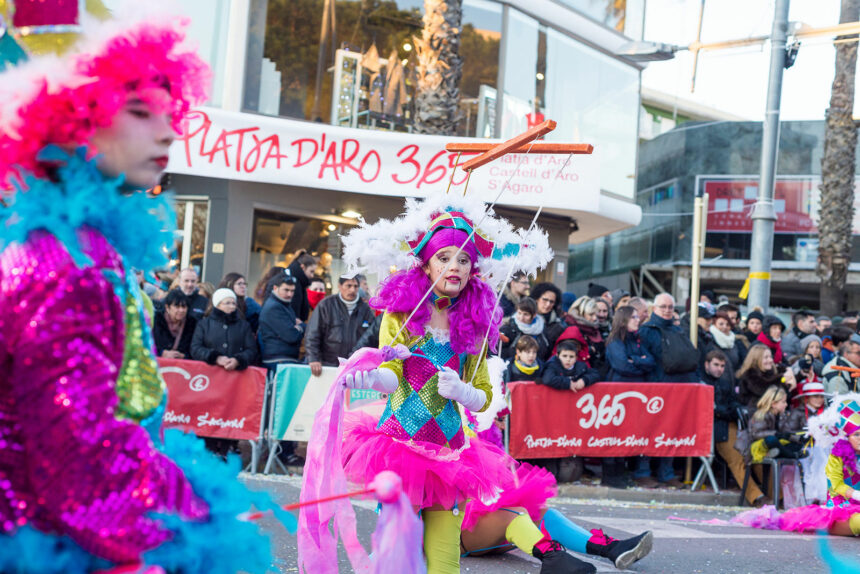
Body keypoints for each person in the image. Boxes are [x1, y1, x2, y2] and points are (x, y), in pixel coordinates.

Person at [0, 13, 274, 572]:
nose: (168, 132)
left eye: (169, 113)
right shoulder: (67, 267)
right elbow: (83, 466)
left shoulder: (84, 249)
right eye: (140, 112)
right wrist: (199, 515)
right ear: (72, 119)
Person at [333, 198, 570, 574]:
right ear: (426, 264)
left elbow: (484, 398)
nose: (455, 266)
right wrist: (371, 376)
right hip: (402, 446)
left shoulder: (475, 323)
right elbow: (391, 373)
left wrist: (463, 391)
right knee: (396, 552)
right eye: (444, 258)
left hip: (450, 451)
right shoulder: (402, 313)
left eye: (463, 260)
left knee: (445, 561)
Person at [733, 394, 860, 537]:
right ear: (846, 437)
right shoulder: (837, 456)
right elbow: (837, 485)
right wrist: (856, 494)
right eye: (856, 435)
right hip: (841, 509)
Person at [700, 351, 768, 507]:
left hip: (732, 425)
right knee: (737, 460)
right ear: (706, 365)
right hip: (716, 429)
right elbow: (711, 409)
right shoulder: (702, 384)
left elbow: (732, 403)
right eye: (716, 365)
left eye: (722, 366)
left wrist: (730, 410)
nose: (719, 369)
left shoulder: (724, 383)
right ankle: (757, 497)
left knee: (756, 456)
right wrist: (727, 411)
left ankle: (777, 495)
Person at [305, 275, 375, 376]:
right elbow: (313, 333)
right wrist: (313, 358)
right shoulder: (326, 305)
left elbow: (372, 337)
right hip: (328, 365)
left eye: (355, 286)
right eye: (348, 286)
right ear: (340, 286)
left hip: (354, 368)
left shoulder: (366, 309)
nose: (352, 290)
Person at [191, 288, 258, 372]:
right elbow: (195, 348)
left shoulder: (244, 325)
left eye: (234, 303)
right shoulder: (204, 324)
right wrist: (215, 358)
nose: (232, 306)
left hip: (236, 375)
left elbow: (251, 350)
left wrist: (238, 360)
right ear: (218, 305)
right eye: (227, 303)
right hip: (209, 373)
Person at [639, 293, 698, 383]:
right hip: (661, 385)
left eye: (670, 307)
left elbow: (691, 358)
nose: (667, 310)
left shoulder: (679, 330)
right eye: (663, 306)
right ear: (654, 308)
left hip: (685, 384)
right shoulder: (645, 331)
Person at [258, 272, 305, 368]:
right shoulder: (274, 307)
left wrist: (298, 328)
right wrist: (302, 326)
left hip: (282, 358)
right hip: (278, 359)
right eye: (286, 290)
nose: (290, 294)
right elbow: (291, 335)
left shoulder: (283, 305)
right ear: (275, 288)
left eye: (292, 291)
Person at [748, 386, 804, 461]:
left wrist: (799, 438)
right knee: (771, 440)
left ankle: (776, 453)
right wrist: (776, 434)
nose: (786, 404)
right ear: (773, 404)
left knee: (797, 445)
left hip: (777, 445)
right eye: (783, 402)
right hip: (761, 445)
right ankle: (791, 455)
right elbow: (756, 434)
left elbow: (786, 433)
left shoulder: (781, 416)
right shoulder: (761, 415)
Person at [605, 306, 656, 383]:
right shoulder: (615, 340)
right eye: (633, 317)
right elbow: (623, 366)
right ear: (622, 321)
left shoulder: (637, 338)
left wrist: (633, 359)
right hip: (620, 386)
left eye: (637, 317)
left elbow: (651, 362)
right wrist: (642, 367)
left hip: (639, 385)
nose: (638, 320)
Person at [737, 345, 796, 411]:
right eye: (766, 357)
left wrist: (794, 375)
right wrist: (783, 379)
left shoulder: (771, 371)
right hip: (755, 412)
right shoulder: (750, 374)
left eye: (770, 357)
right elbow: (765, 390)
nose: (770, 360)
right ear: (756, 359)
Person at [559, 296, 607, 375]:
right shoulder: (571, 330)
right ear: (580, 314)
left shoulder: (595, 329)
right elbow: (569, 354)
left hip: (594, 373)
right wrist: (591, 350)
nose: (595, 318)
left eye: (596, 315)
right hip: (579, 375)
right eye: (591, 315)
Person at [153, 287, 197, 359]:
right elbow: (146, 344)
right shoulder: (156, 320)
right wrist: (161, 353)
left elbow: (195, 348)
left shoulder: (192, 323)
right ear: (167, 308)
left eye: (184, 307)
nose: (181, 310)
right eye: (177, 306)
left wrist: (184, 356)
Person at [531, 282, 566, 360]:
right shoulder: (524, 318)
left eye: (551, 302)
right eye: (545, 300)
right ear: (537, 299)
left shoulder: (558, 326)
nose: (548, 304)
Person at [708, 310, 748, 374]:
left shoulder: (734, 342)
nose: (725, 327)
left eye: (727, 324)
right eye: (721, 324)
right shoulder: (709, 341)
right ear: (714, 325)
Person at [286, 250, 318, 322]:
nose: (312, 276)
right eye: (311, 271)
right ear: (303, 267)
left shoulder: (299, 282)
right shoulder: (294, 283)